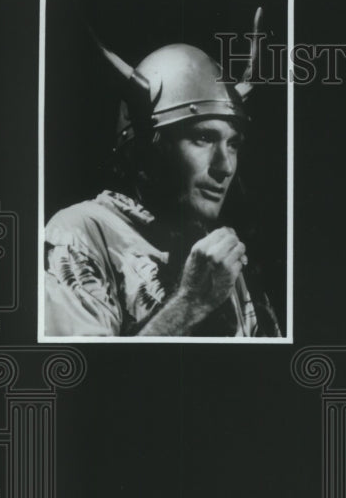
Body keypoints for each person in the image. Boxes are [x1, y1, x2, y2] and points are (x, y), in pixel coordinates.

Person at [44, 23, 281, 337]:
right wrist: (190, 303)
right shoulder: (80, 232)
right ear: (148, 148)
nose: (225, 166)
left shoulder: (218, 257)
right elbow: (84, 368)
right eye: (203, 138)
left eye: (233, 144)